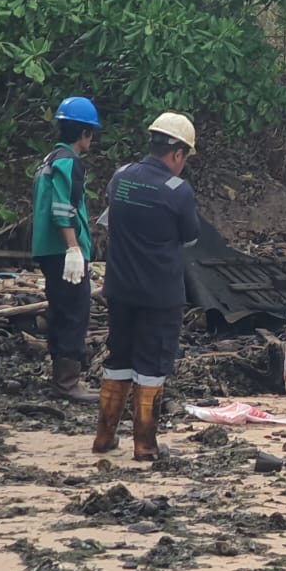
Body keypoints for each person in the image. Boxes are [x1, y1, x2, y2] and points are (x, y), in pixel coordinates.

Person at [93, 113, 200, 462]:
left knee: (119, 357)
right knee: (152, 364)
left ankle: (105, 435)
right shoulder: (177, 191)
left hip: (120, 288)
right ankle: (144, 443)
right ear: (178, 154)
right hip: (160, 294)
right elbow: (191, 237)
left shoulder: (120, 177)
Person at [32, 97, 102, 402]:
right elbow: (63, 208)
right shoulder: (69, 162)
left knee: (61, 310)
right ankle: (67, 383)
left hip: (48, 250)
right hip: (64, 252)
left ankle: (61, 379)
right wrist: (73, 248)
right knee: (75, 312)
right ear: (84, 133)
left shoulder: (49, 159)